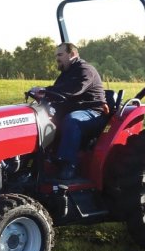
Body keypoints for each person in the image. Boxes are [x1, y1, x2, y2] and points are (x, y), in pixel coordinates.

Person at [30, 42, 108, 180]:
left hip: (93, 112)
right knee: (39, 119)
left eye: (60, 55)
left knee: (72, 121)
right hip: (73, 110)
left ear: (72, 54)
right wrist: (42, 92)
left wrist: (46, 91)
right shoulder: (66, 73)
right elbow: (57, 89)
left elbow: (74, 90)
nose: (57, 59)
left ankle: (68, 164)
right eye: (56, 56)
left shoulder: (85, 70)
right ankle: (39, 160)